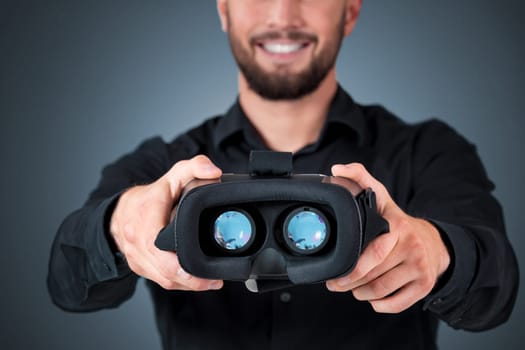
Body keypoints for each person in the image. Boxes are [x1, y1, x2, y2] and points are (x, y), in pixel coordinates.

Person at [47, 1, 519, 349]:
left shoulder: (425, 151)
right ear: (224, 11)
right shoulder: (164, 165)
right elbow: (67, 282)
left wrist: (437, 255)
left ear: (349, 12)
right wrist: (119, 226)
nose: (282, 13)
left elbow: (495, 292)